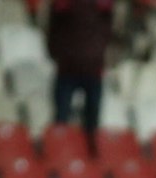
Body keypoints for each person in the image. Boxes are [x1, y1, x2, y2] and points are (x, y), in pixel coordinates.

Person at [47, 0, 114, 153]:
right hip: (72, 67)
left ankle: (88, 158)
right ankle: (60, 153)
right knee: (64, 120)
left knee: (89, 122)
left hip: (87, 67)